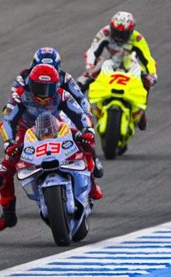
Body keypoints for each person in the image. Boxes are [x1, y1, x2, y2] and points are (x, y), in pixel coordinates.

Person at [0, 64, 102, 232]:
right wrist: (9, 143)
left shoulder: (62, 95)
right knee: (1, 173)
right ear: (31, 85)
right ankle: (8, 214)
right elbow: (7, 121)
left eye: (48, 87)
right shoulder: (20, 97)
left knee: (85, 143)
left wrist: (88, 131)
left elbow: (80, 114)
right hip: (27, 131)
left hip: (59, 126)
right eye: (39, 87)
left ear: (56, 85)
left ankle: (91, 184)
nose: (43, 93)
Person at [11, 47, 103, 178]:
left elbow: (80, 98)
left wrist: (86, 118)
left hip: (56, 115)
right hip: (28, 120)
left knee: (83, 133)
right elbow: (13, 103)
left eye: (52, 68)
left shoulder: (65, 78)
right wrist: (10, 139)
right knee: (12, 156)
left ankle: (92, 159)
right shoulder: (22, 80)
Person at [77, 11, 157, 130]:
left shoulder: (138, 38)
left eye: (123, 34)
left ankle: (141, 108)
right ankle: (74, 108)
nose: (119, 37)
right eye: (116, 32)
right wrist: (90, 65)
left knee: (147, 80)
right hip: (108, 60)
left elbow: (147, 58)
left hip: (130, 62)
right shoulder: (105, 32)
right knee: (83, 79)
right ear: (111, 27)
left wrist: (152, 74)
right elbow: (92, 50)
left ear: (130, 31)